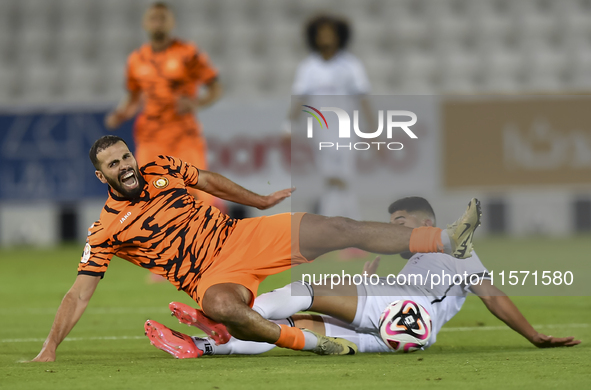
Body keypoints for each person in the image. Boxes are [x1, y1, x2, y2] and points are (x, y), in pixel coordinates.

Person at [30, 136, 480, 362]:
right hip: (209, 275)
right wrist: (50, 346)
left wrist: (259, 201)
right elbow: (78, 293)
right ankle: (312, 345)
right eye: (114, 164)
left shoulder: (162, 167)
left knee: (337, 226)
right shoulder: (104, 231)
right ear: (101, 176)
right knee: (224, 305)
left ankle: (442, 239)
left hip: (240, 237)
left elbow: (206, 180)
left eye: (126, 157)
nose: (126, 166)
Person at [150, 197, 580, 358]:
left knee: (306, 290)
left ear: (425, 220)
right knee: (291, 329)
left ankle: (223, 320)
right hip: (407, 329)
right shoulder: (415, 265)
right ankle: (203, 346)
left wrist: (534, 336)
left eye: (401, 221)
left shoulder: (464, 257)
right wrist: (372, 275)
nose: (394, 228)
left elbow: (493, 296)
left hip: (406, 311)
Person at [105, 2, 222, 207]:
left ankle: (208, 235)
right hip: (151, 137)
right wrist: (120, 114)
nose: (157, 23)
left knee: (197, 191)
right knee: (148, 193)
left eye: (162, 18)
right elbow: (133, 98)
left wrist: (196, 103)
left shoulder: (188, 53)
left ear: (171, 22)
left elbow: (215, 88)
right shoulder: (136, 60)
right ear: (145, 23)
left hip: (183, 135)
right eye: (153, 18)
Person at [285, 15, 374, 221]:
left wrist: (372, 128)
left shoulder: (351, 65)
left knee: (341, 177)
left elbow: (363, 97)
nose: (325, 37)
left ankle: (334, 227)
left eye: (329, 33)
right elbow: (299, 98)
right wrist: (288, 125)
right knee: (332, 179)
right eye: (321, 33)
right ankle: (352, 229)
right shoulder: (308, 67)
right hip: (320, 131)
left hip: (346, 129)